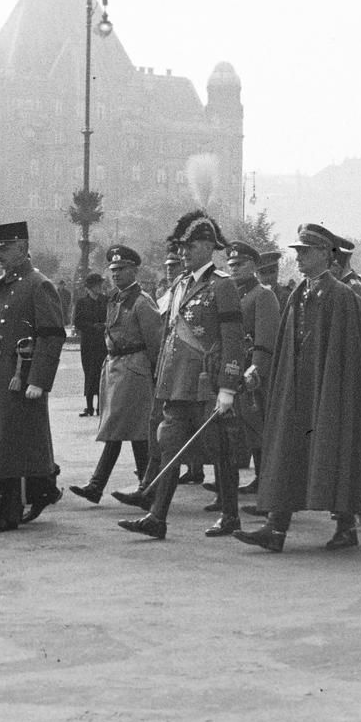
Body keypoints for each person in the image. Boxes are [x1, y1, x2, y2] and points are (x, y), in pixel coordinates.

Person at [234, 223, 361, 552]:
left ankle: (346, 527)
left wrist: (335, 391)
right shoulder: (299, 294)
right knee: (288, 452)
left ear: (324, 256)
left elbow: (354, 356)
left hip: (331, 393)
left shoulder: (343, 297)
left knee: (334, 454)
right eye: (298, 252)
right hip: (299, 392)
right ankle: (275, 529)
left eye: (305, 252)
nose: (298, 258)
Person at [118, 210, 245, 541]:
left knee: (220, 451)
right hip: (177, 384)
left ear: (207, 246)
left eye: (189, 247)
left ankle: (230, 516)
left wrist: (228, 387)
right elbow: (170, 337)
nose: (182, 253)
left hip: (208, 383)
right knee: (169, 445)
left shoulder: (223, 285)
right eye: (180, 247)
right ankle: (157, 517)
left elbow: (233, 341)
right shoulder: (179, 285)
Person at [0, 222, 67, 531]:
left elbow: (52, 335)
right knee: (5, 445)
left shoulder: (38, 284)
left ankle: (10, 512)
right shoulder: (2, 284)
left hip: (18, 380)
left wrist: (38, 379)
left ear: (23, 248)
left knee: (9, 448)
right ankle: (42, 491)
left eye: (5, 249)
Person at [69, 245, 163, 505]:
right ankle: (112, 487)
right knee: (123, 429)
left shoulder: (142, 302)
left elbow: (155, 342)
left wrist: (155, 376)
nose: (116, 274)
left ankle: (136, 488)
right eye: (113, 270)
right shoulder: (116, 299)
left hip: (134, 369)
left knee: (133, 431)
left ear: (134, 270)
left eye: (122, 269)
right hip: (116, 368)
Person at [223, 240, 281, 496]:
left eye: (240, 264)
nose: (234, 269)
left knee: (257, 425)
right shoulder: (231, 294)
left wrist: (256, 368)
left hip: (252, 372)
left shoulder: (263, 295)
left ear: (254, 266)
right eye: (231, 264)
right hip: (232, 368)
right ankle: (228, 483)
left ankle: (265, 480)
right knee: (234, 427)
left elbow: (266, 338)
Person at [73, 272, 109, 417]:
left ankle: (101, 406)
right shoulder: (82, 302)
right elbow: (78, 321)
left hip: (103, 343)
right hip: (88, 343)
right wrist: (93, 327)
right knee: (89, 372)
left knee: (102, 373)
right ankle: (89, 407)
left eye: (101, 284)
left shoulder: (106, 300)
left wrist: (104, 326)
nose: (100, 286)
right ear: (89, 287)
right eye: (97, 284)